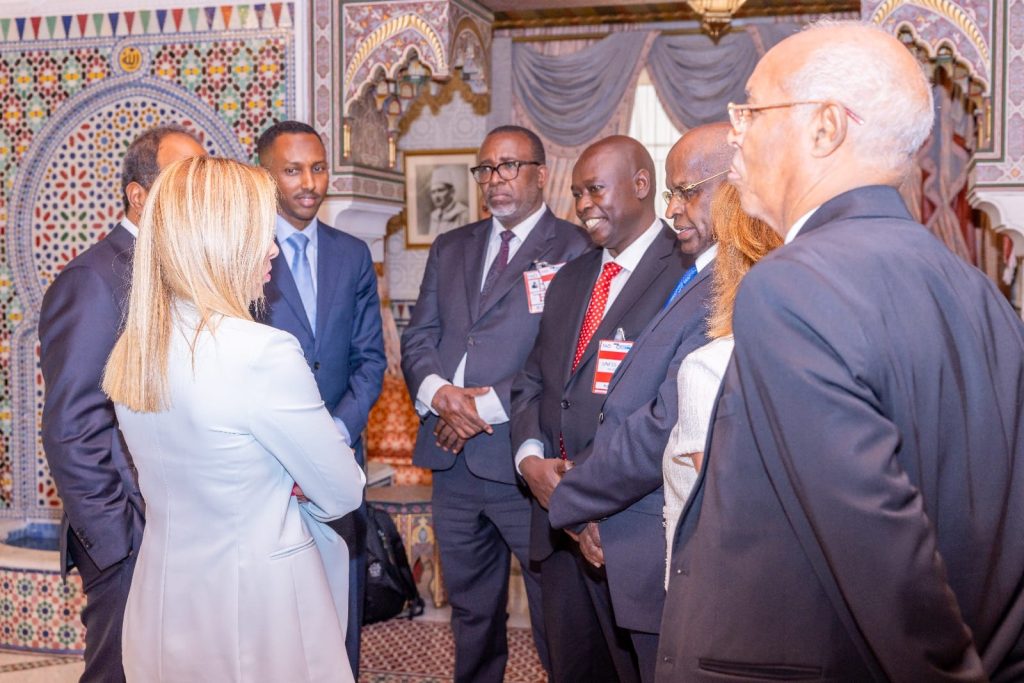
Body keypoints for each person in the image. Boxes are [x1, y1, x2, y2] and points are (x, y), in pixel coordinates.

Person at [658, 21, 1024, 681]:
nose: (734, 131)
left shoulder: (790, 284)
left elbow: (879, 545)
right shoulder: (982, 295)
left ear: (825, 128)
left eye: (752, 109)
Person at [103, 156, 365, 682]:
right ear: (217, 241)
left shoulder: (137, 345)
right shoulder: (261, 351)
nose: (272, 248)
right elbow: (343, 491)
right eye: (259, 231)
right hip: (257, 611)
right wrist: (292, 479)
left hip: (163, 597)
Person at [401, 125, 589, 683]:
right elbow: (420, 336)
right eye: (485, 169)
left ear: (541, 173)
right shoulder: (451, 246)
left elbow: (565, 357)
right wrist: (440, 396)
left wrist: (481, 410)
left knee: (554, 610)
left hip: (523, 460)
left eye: (509, 166)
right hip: (451, 461)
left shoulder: (576, 246)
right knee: (471, 609)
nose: (495, 180)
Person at [540, 126, 726, 682]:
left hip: (658, 531)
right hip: (623, 521)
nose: (674, 210)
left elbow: (665, 420)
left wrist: (571, 498)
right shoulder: (701, 272)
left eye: (687, 191)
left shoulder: (728, 280)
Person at [511, 134, 689, 683]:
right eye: (576, 193)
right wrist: (531, 462)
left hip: (630, 533)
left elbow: (669, 409)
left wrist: (585, 498)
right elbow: (534, 380)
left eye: (595, 189)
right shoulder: (571, 276)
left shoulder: (686, 274)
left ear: (642, 185)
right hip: (559, 527)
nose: (583, 204)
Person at [38, 125, 205, 683]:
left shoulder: (176, 271)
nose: (198, 189)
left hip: (176, 525)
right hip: (128, 534)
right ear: (139, 194)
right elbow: (71, 426)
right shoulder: (93, 278)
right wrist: (118, 539)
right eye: (185, 177)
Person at [256, 120, 386, 674]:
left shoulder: (352, 254)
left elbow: (370, 360)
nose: (309, 183)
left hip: (339, 459)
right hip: (266, 468)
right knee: (279, 608)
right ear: (265, 176)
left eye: (318, 167)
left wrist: (334, 435)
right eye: (292, 170)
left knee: (340, 598)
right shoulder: (244, 253)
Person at [660, 181, 781, 582]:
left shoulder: (708, 368)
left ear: (730, 257)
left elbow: (727, 521)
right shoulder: (819, 354)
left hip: (717, 593)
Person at [426, 166, 470, 236]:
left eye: (440, 190)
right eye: (433, 192)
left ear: (451, 192)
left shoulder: (464, 214)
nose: (436, 196)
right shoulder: (434, 215)